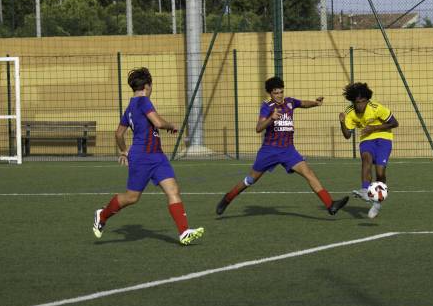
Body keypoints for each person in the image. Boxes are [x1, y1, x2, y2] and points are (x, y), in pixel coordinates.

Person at [93, 68, 204, 245]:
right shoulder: (144, 101)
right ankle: (102, 214)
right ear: (147, 86)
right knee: (132, 197)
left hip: (157, 156)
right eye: (151, 86)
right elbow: (158, 122)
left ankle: (183, 232)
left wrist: (123, 151)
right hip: (143, 157)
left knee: (173, 190)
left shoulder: (130, 106)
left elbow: (119, 134)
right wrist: (171, 126)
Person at [216, 76, 349, 216]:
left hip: (288, 150)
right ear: (270, 93)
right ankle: (228, 198)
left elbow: (303, 103)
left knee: (308, 173)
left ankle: (330, 204)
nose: (279, 95)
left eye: (281, 92)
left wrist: (316, 103)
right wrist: (270, 119)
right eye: (276, 93)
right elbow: (258, 128)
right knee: (250, 180)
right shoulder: (267, 107)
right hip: (269, 151)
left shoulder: (290, 102)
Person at [339, 82, 398, 219]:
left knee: (380, 173)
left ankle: (377, 204)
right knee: (366, 159)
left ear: (367, 100)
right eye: (358, 102)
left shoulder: (376, 108)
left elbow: (395, 123)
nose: (361, 105)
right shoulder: (350, 112)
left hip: (384, 138)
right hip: (366, 139)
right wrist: (342, 122)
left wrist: (374, 128)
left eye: (363, 101)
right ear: (353, 101)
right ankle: (365, 189)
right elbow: (347, 135)